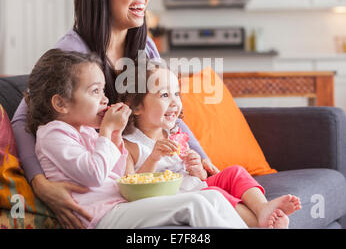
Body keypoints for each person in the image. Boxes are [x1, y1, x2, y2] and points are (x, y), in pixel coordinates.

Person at [11, 0, 210, 228]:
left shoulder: (145, 48)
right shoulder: (72, 53)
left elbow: (170, 111)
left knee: (216, 198)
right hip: (107, 188)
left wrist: (203, 158)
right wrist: (40, 184)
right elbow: (22, 119)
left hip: (140, 173)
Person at [25, 48, 247, 229]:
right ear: (61, 103)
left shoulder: (85, 131)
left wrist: (114, 135)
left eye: (103, 91)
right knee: (194, 203)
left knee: (213, 198)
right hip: (101, 217)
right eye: (95, 92)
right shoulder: (53, 134)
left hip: (120, 206)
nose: (104, 99)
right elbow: (93, 174)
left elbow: (121, 175)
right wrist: (106, 132)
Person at [119, 62, 302, 228]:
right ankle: (259, 224)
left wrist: (196, 167)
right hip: (177, 197)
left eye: (176, 93)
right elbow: (130, 190)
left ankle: (263, 208)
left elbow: (198, 176)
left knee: (234, 172)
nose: (175, 102)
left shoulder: (174, 133)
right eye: (165, 95)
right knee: (216, 193)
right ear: (136, 107)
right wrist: (153, 158)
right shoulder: (130, 145)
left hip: (193, 184)